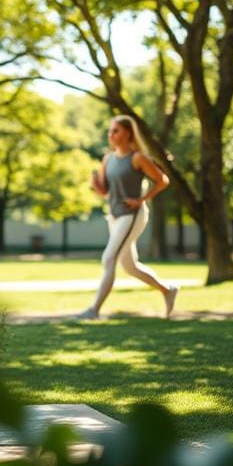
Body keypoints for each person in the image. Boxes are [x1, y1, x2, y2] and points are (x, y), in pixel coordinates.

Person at [75, 115, 179, 320]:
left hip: (132, 215)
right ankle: (168, 290)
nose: (111, 135)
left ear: (128, 133)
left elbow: (162, 180)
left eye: (116, 130)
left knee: (108, 258)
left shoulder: (137, 157)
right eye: (110, 131)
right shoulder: (108, 159)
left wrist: (141, 200)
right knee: (130, 267)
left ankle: (93, 310)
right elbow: (105, 191)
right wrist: (96, 185)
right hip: (114, 215)